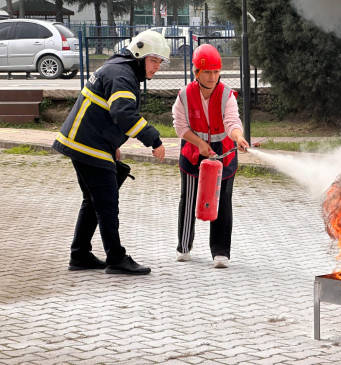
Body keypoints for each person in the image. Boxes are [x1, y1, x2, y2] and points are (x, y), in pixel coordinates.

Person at [52, 30, 170, 275]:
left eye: (160, 62)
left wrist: (114, 143)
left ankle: (80, 255)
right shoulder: (122, 74)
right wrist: (154, 140)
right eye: (154, 60)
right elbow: (123, 114)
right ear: (139, 54)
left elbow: (106, 111)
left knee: (93, 200)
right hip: (89, 145)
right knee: (106, 203)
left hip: (85, 141)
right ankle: (116, 258)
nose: (157, 67)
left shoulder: (120, 69)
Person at [172, 44, 249, 268]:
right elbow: (180, 127)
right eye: (207, 72)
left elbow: (232, 121)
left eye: (216, 71)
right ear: (197, 72)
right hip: (193, 149)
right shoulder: (184, 96)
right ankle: (184, 246)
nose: (212, 76)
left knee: (223, 200)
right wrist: (200, 144)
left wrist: (238, 137)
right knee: (188, 199)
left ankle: (221, 252)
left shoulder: (227, 95)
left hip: (223, 151)